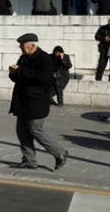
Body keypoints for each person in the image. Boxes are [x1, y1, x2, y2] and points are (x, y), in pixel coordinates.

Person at [7, 33, 68, 171]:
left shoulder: (44, 59)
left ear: (32, 45)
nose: (20, 47)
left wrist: (20, 71)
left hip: (37, 102)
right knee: (22, 131)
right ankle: (29, 160)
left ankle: (60, 153)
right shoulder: (23, 58)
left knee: (35, 129)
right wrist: (12, 72)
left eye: (22, 45)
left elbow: (41, 78)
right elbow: (18, 77)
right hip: (22, 101)